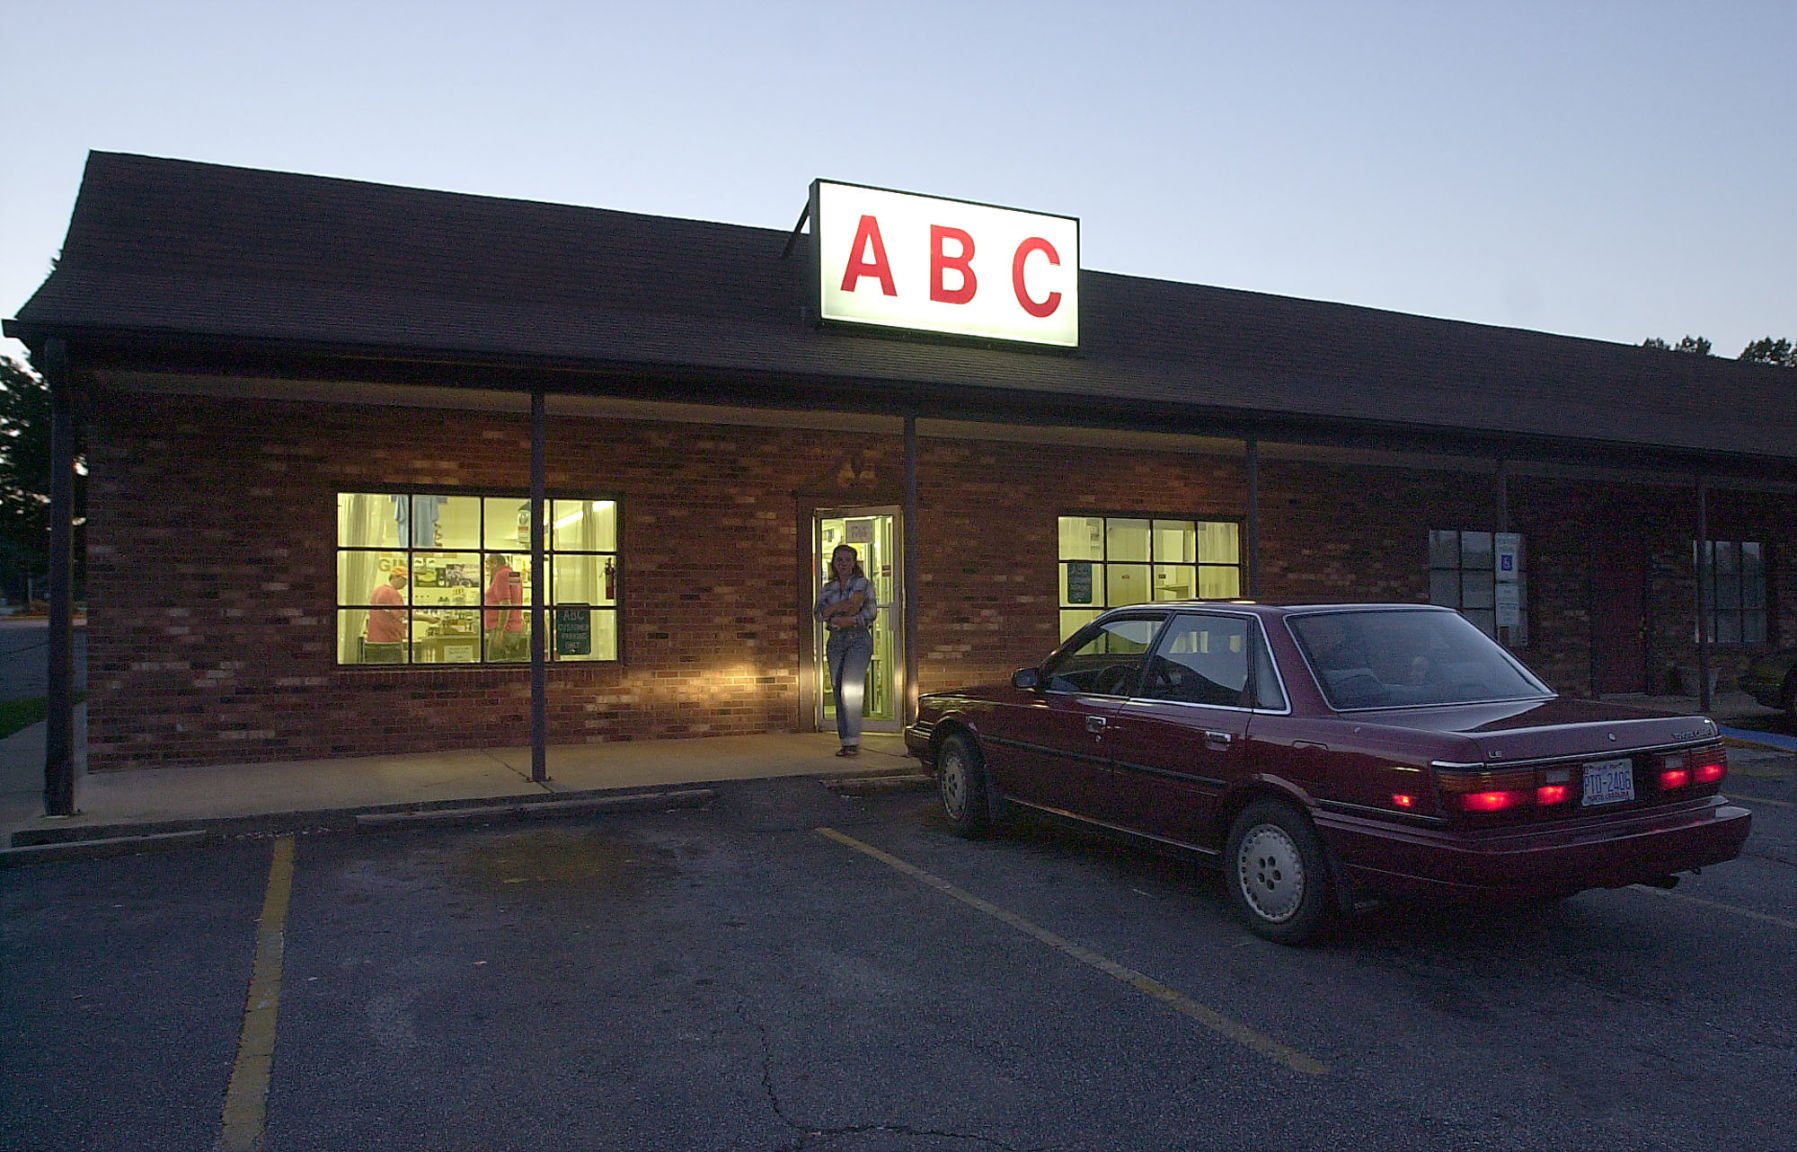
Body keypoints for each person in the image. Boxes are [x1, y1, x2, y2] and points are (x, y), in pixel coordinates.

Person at [815, 544, 879, 757]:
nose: (843, 564)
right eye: (839, 560)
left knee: (850, 688)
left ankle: (853, 741)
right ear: (834, 563)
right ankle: (846, 740)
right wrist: (842, 607)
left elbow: (870, 612)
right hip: (835, 640)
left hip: (858, 639)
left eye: (847, 560)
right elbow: (819, 612)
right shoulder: (828, 587)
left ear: (854, 563)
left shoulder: (863, 584)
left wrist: (849, 618)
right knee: (837, 686)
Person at [485, 553, 525, 660]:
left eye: (487, 564)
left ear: (495, 563)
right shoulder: (514, 574)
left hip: (503, 629)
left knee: (496, 666)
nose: (487, 569)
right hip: (515, 628)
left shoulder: (501, 575)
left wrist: (500, 630)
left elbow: (505, 603)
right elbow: (516, 599)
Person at [366, 565, 409, 663]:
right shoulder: (391, 593)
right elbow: (403, 613)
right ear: (395, 577)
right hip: (389, 641)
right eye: (404, 580)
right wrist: (427, 618)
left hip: (373, 640)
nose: (405, 584)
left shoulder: (377, 590)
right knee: (393, 674)